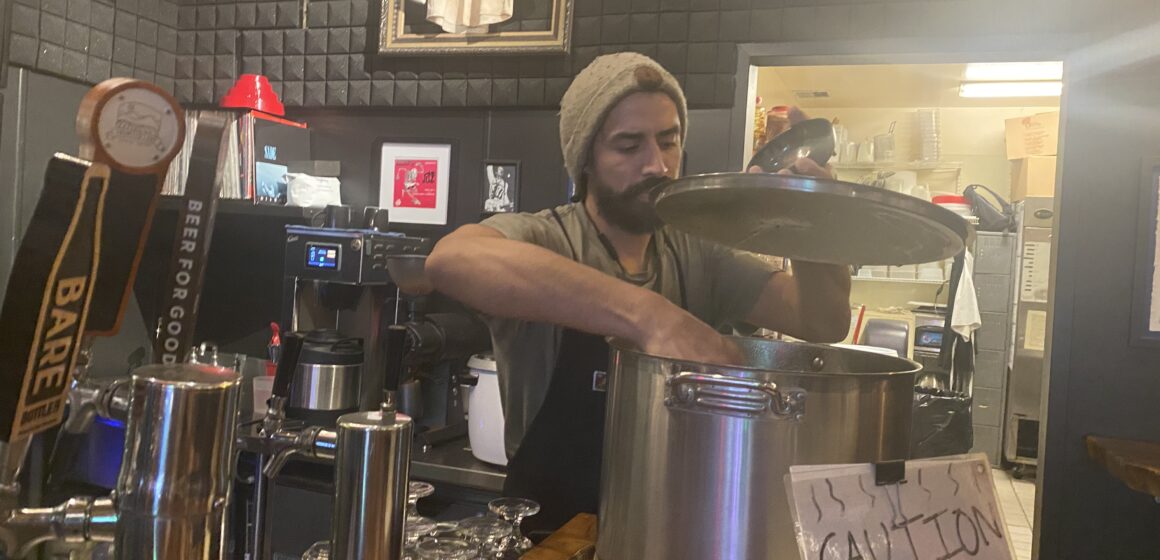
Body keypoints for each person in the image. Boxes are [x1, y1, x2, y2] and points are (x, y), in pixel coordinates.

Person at [425, 53, 852, 533]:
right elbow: (452, 259)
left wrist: (814, 214)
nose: (657, 165)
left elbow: (822, 320)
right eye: (628, 146)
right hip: (553, 536)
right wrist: (649, 316)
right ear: (585, 158)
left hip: (674, 530)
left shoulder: (698, 256)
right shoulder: (550, 239)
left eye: (668, 141)